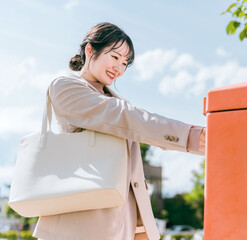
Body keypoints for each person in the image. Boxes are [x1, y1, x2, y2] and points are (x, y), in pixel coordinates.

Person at [32, 22, 206, 240]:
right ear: (89, 50)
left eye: (125, 63)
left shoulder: (117, 100)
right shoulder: (65, 86)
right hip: (78, 225)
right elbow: (124, 115)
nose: (119, 68)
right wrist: (190, 136)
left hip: (121, 224)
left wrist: (140, 230)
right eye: (114, 57)